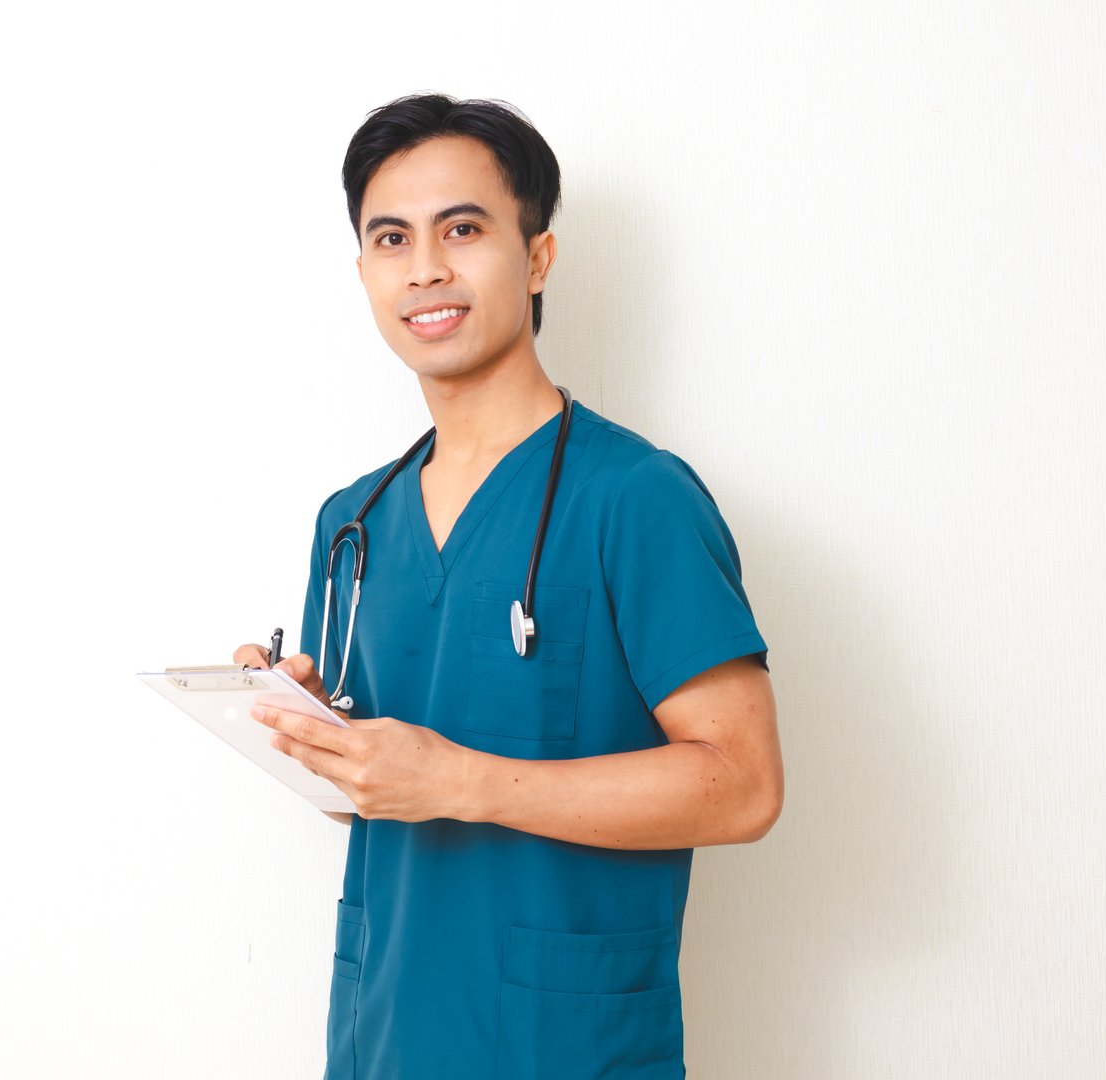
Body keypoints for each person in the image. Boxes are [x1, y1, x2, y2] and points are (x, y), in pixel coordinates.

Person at [233, 93, 783, 1080]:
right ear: (364, 273)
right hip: (385, 1031)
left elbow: (744, 787)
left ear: (537, 258)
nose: (426, 269)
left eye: (464, 229)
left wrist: (463, 781)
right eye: (391, 238)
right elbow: (366, 799)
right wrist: (308, 736)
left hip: (564, 1047)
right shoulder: (352, 524)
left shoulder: (635, 498)